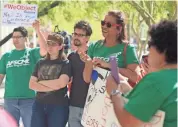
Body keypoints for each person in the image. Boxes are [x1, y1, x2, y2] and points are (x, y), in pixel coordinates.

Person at [106, 20, 177, 127]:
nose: (148, 53)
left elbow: (129, 122)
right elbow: (147, 102)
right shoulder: (171, 78)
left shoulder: (156, 80)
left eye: (150, 45)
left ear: (163, 50)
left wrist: (114, 92)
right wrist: (125, 87)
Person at [0, 20, 47, 127]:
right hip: (9, 100)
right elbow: (0, 77)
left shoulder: (32, 53)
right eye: (13, 37)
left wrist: (37, 30)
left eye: (18, 37)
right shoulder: (6, 56)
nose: (15, 39)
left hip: (29, 99)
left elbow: (45, 50)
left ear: (25, 38)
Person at [80, 10, 140, 85]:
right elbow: (87, 79)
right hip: (96, 95)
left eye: (108, 24)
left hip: (117, 95)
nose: (104, 26)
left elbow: (135, 77)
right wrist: (88, 62)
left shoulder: (128, 49)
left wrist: (109, 65)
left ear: (119, 29)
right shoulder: (94, 46)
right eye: (103, 23)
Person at [29, 33, 71, 127]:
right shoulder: (40, 62)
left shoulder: (65, 63)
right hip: (39, 104)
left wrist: (40, 83)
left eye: (54, 44)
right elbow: (31, 85)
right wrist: (53, 86)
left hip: (58, 106)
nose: (50, 46)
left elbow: (61, 84)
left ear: (60, 47)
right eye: (48, 43)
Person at [67, 20, 92, 127]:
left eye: (80, 35)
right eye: (75, 34)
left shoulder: (94, 54)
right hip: (74, 105)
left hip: (92, 106)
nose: (76, 37)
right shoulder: (71, 57)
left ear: (87, 38)